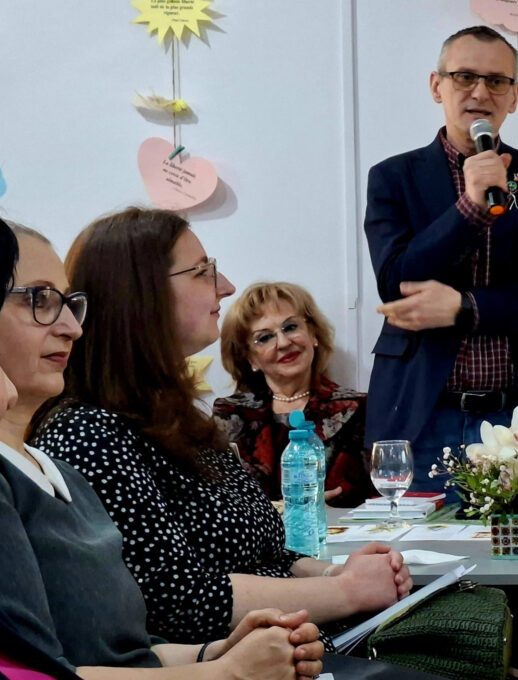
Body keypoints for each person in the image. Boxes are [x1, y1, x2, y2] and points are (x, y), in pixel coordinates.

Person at [33, 208, 411, 646]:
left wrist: (339, 572)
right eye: (202, 272)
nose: (226, 286)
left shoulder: (178, 417)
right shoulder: (89, 433)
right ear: (141, 295)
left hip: (305, 639)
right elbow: (176, 600)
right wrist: (348, 592)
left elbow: (270, 551)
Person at [0, 219, 324, 679]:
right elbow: (39, 673)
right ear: (141, 297)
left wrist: (220, 652)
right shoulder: (83, 435)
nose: (72, 327)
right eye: (41, 300)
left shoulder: (59, 471)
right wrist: (225, 671)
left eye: (69, 303)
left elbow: (127, 648)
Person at [364, 25, 518, 491]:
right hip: (423, 416)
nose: (481, 93)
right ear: (437, 86)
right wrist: (469, 206)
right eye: (464, 77)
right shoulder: (393, 177)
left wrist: (465, 308)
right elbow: (397, 281)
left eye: (497, 81)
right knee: (415, 540)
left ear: (514, 96)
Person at [214, 282, 372, 507]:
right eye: (264, 337)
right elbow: (220, 499)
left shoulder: (358, 408)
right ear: (250, 358)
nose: (284, 343)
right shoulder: (230, 414)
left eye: (290, 327)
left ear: (313, 334)